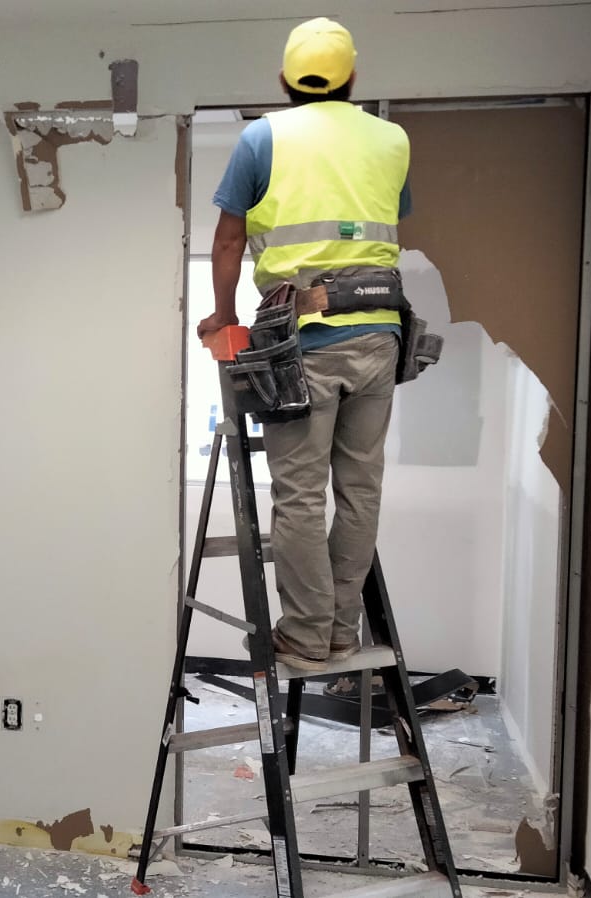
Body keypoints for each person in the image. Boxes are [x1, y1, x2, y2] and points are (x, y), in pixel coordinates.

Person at [198, 17, 412, 671]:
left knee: (299, 495)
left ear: (285, 82)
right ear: (352, 78)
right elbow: (388, 217)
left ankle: (306, 636)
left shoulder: (261, 138)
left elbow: (231, 239)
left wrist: (224, 317)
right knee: (359, 491)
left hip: (304, 340)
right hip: (381, 332)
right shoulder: (392, 139)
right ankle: (343, 634)